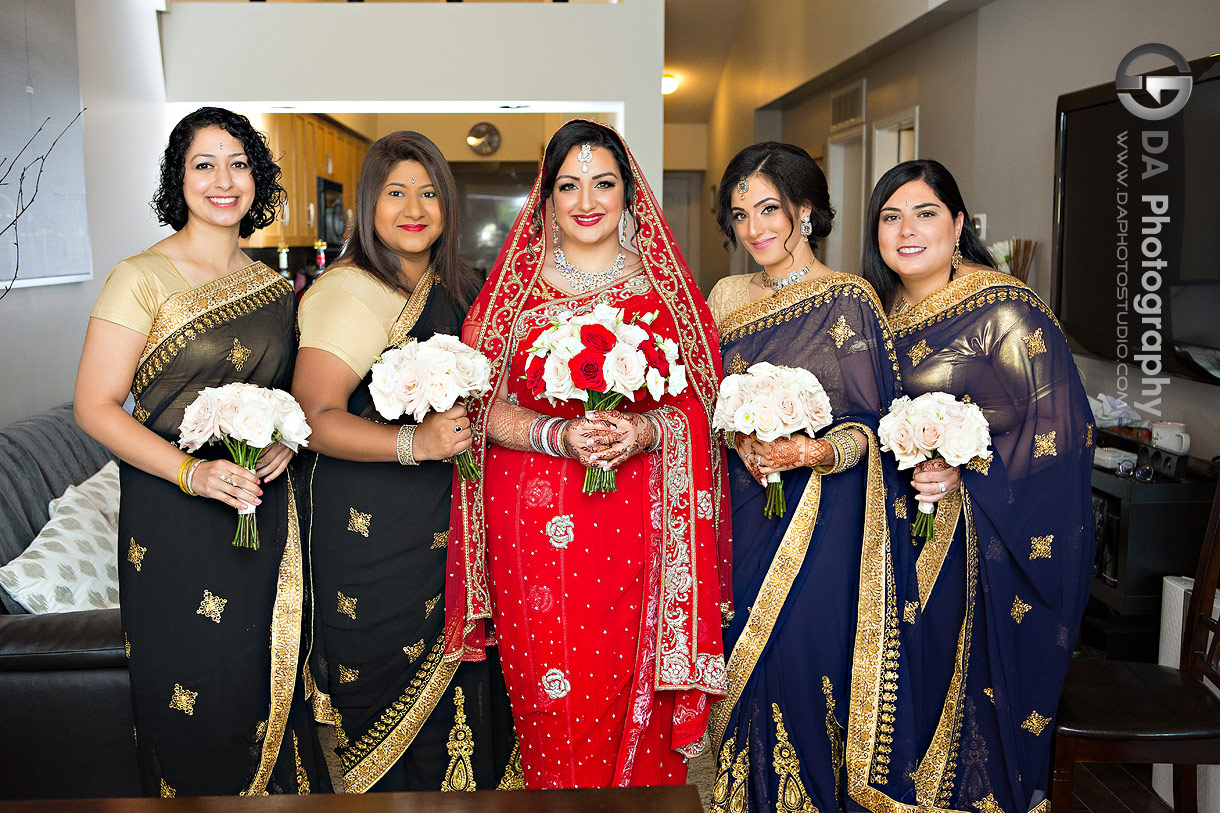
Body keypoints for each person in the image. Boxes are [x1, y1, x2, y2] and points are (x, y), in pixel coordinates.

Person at [444, 119, 730, 789]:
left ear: (630, 195)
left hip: (641, 528)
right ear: (546, 198)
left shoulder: (667, 293)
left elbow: (703, 407)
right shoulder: (513, 293)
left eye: (603, 183)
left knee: (632, 691)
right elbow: (477, 409)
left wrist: (645, 431)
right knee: (555, 700)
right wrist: (556, 434)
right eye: (568, 185)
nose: (586, 200)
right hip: (535, 530)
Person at [74, 107, 329, 797]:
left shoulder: (277, 288)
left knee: (261, 684)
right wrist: (192, 471)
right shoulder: (141, 277)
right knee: (193, 699)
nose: (224, 180)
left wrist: (282, 444)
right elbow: (94, 405)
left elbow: (282, 398)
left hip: (259, 511)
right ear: (177, 179)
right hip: (172, 521)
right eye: (204, 164)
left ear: (258, 179)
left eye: (239, 163)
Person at [858, 159, 1094, 813]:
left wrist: (967, 466)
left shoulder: (1006, 311)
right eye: (890, 216)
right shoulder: (876, 311)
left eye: (925, 213)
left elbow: (1059, 430)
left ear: (958, 223)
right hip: (884, 534)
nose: (907, 230)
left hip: (973, 546)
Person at [292, 130, 514, 793]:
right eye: (395, 192)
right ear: (368, 205)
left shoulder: (449, 285)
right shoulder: (352, 291)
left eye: (428, 192)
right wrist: (413, 443)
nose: (414, 207)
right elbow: (312, 418)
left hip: (443, 537)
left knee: (469, 722)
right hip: (375, 547)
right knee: (389, 717)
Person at [704, 142, 912, 813]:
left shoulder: (848, 298)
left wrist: (811, 453)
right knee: (737, 660)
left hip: (820, 525)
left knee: (801, 666)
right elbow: (706, 403)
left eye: (769, 208)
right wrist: (738, 434)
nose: (754, 228)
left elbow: (873, 427)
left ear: (806, 210)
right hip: (738, 510)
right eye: (739, 214)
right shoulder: (727, 296)